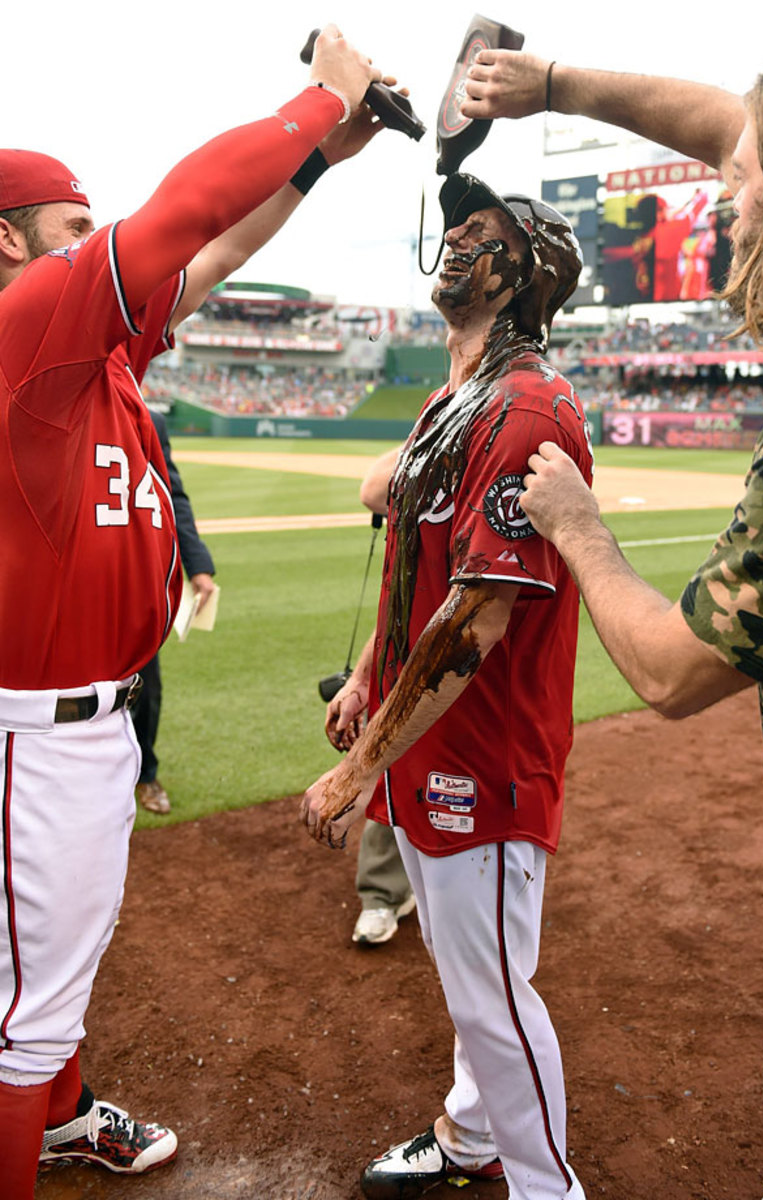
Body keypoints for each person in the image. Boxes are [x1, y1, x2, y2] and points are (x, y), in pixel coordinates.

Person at [463, 24, 763, 1200]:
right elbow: (720, 121)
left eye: (747, 163)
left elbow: (670, 672)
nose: (723, 175)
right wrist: (551, 86)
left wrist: (576, 527)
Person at [0, 27, 385, 1198]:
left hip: (89, 726)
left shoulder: (92, 352)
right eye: (74, 231)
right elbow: (179, 213)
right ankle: (32, 1123)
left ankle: (59, 1118)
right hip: (36, 736)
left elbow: (207, 252)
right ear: (7, 244)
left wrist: (318, 165)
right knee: (27, 1010)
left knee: (54, 974)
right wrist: (317, 99)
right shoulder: (24, 332)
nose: (96, 246)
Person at [303, 174, 591, 1199]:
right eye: (455, 230)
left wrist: (353, 771)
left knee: (494, 1000)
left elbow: (475, 619)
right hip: (428, 744)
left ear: (526, 277)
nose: (455, 243)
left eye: (482, 237)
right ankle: (472, 1136)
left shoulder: (524, 408)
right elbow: (412, 569)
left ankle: (547, 1187)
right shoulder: (449, 400)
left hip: (487, 758)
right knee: (473, 995)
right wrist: (372, 683)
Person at [345, 446, 416, 945]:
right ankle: (383, 892)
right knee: (393, 747)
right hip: (414, 622)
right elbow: (374, 491)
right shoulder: (443, 421)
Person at [134, 408, 216, 816]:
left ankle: (145, 773)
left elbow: (172, 496)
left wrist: (197, 565)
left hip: (135, 580)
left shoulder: (151, 420)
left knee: (146, 690)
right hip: (72, 581)